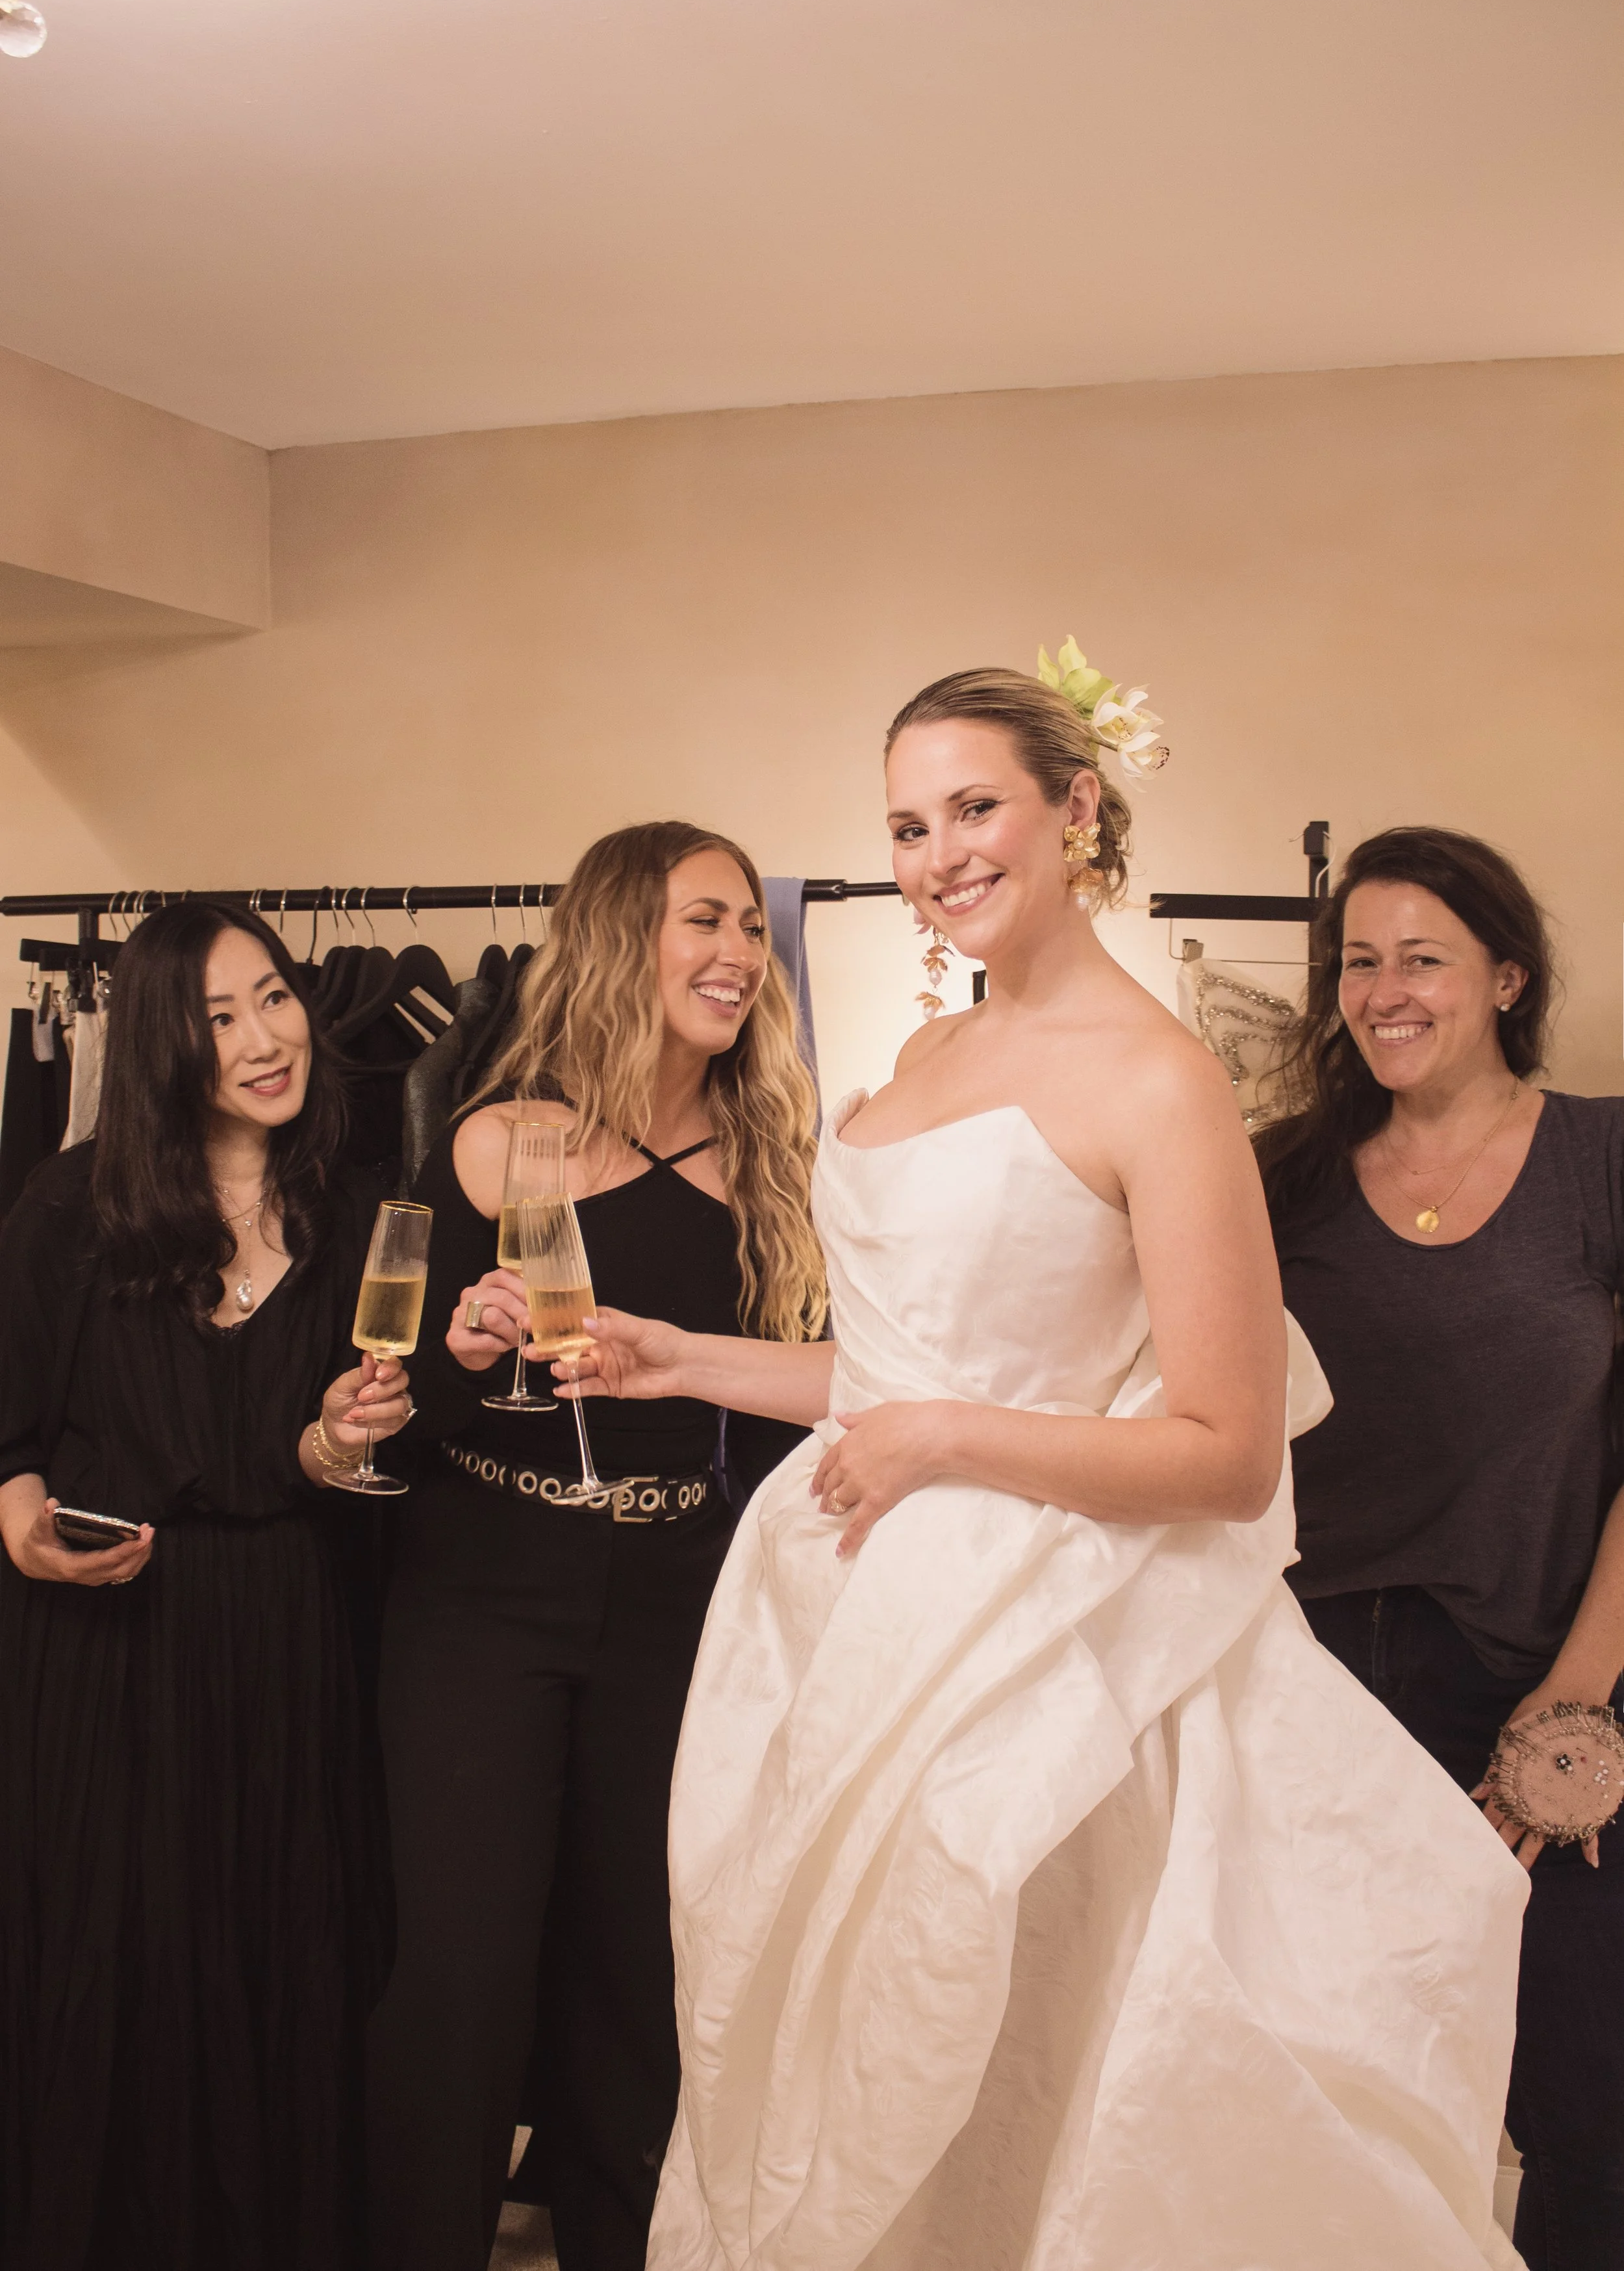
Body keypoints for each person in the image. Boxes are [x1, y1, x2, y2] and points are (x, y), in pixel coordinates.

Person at [571, 665, 1530, 2271]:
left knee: (1036, 2089)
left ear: (1073, 810)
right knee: (841, 2057)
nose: (937, 852)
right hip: (852, 1625)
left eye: (973, 807)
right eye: (904, 824)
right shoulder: (917, 1055)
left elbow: (1223, 1455)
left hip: (1051, 1654)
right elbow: (892, 1374)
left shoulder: (1161, 1082)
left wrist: (938, 1443)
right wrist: (673, 1357)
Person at [364, 821, 823, 2271]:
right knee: (461, 1968)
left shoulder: (774, 1163)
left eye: (750, 927)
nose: (738, 955)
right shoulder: (510, 1138)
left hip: (683, 1598)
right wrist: (458, 1341)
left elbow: (789, 1412)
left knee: (645, 1969)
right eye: (704, 921)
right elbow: (413, 1411)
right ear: (625, 938)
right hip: (483, 1592)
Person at [0, 900, 412, 2271]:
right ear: (162, 1042)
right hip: (108, 1639)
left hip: (289, 1638)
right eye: (218, 1015)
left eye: (275, 997)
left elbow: (313, 1460)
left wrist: (340, 1439)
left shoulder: (359, 1205)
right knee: (112, 1967)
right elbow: (7, 1429)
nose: (262, 1037)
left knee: (282, 1961)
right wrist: (16, 1520)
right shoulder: (73, 1200)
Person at [1256, 826, 1624, 2271]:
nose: (1382, 989)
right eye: (1357, 960)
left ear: (1505, 979)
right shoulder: (1277, 1175)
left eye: (1423, 957)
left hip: (1543, 1674)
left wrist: (1574, 1707)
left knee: (1588, 2111)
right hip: (1313, 1696)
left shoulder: (1600, 1155)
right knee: (1341, 2103)